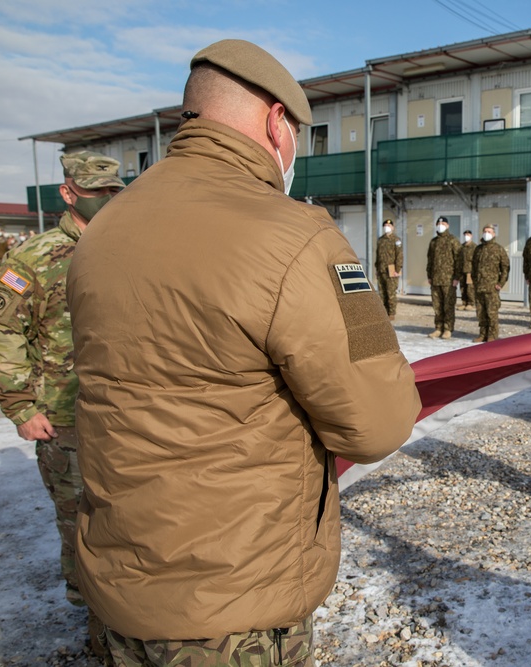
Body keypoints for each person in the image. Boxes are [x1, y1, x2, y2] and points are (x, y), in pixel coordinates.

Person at [68, 39, 421, 666]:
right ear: (275, 123)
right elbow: (377, 421)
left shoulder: (105, 233)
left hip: (121, 583)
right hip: (235, 604)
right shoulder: (294, 236)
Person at [0, 150, 125, 660]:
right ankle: (97, 628)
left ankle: (129, 619)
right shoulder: (34, 258)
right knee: (81, 524)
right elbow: (3, 334)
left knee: (130, 521)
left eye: (113, 190)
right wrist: (20, 407)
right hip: (66, 421)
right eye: (97, 191)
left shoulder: (129, 247)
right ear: (68, 193)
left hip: (129, 417)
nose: (108, 199)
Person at [471, 225, 510, 342]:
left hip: (492, 287)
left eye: (489, 231)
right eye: (484, 231)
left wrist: (500, 283)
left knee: (491, 313)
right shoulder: (478, 249)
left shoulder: (498, 249)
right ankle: (483, 334)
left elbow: (505, 268)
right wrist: (475, 281)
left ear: (494, 234)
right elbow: (473, 267)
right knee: (481, 312)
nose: (486, 233)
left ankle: (492, 335)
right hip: (479, 287)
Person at [426, 216, 461, 338]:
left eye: (443, 223)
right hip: (436, 279)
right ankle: (438, 328)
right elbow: (430, 260)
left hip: (449, 280)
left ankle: (447, 329)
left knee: (448, 305)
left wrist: (457, 277)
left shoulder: (453, 240)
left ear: (447, 225)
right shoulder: (433, 242)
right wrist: (429, 275)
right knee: (437, 306)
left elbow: (459, 260)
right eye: (439, 223)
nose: (441, 225)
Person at [375, 218, 402, 320]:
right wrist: (377, 269)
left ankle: (391, 313)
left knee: (391, 293)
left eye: (389, 226)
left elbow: (399, 256)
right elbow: (378, 256)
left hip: (392, 270)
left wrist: (397, 269)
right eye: (385, 226)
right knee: (382, 293)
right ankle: (383, 312)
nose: (387, 227)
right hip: (381, 270)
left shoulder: (396, 240)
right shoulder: (380, 240)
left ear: (393, 228)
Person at [458, 230, 476, 310]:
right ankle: (464, 303)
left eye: (468, 234)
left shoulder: (474, 247)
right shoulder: (461, 247)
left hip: (470, 270)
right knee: (462, 287)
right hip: (462, 270)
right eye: (465, 234)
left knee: (470, 287)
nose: (466, 236)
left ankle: (471, 303)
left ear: (471, 235)